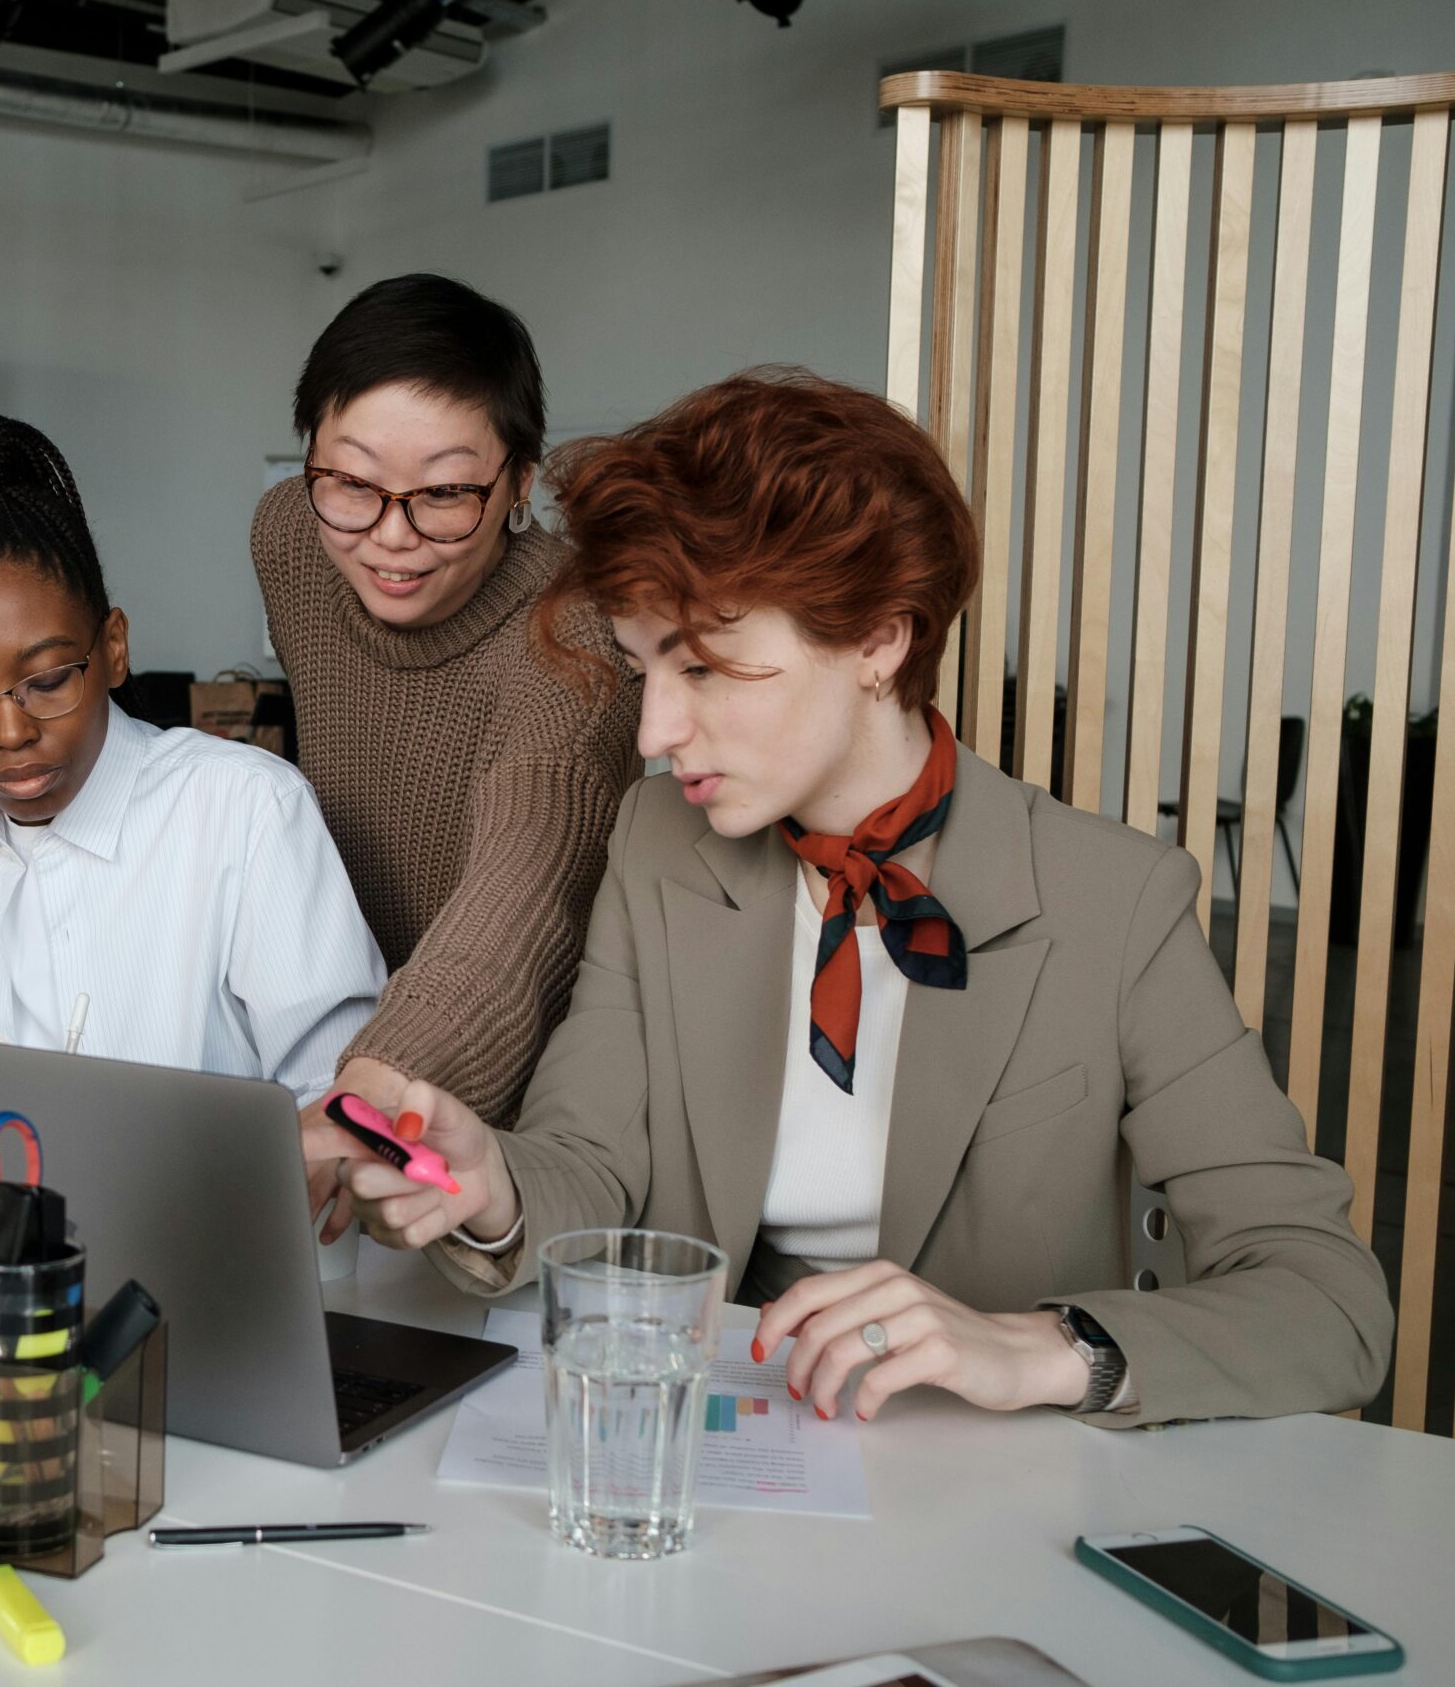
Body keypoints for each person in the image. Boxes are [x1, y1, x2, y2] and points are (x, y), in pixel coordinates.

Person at [308, 370, 1393, 1427]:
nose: (652, 734)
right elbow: (593, 1166)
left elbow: (1327, 1300)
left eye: (705, 672)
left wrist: (1041, 1346)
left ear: (879, 638)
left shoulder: (1111, 900)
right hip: (716, 1457)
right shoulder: (657, 845)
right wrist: (490, 1182)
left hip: (987, 1496)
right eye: (644, 674)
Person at [0, 415, 385, 1146]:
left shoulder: (245, 808)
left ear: (114, 647)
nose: (11, 733)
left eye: (49, 681)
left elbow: (337, 1090)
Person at [251, 274, 639, 1242]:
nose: (391, 536)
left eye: (444, 495)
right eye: (351, 483)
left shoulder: (574, 632)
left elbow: (525, 895)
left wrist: (367, 1096)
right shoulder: (290, 539)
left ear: (518, 481)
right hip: (331, 1060)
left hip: (503, 1109)